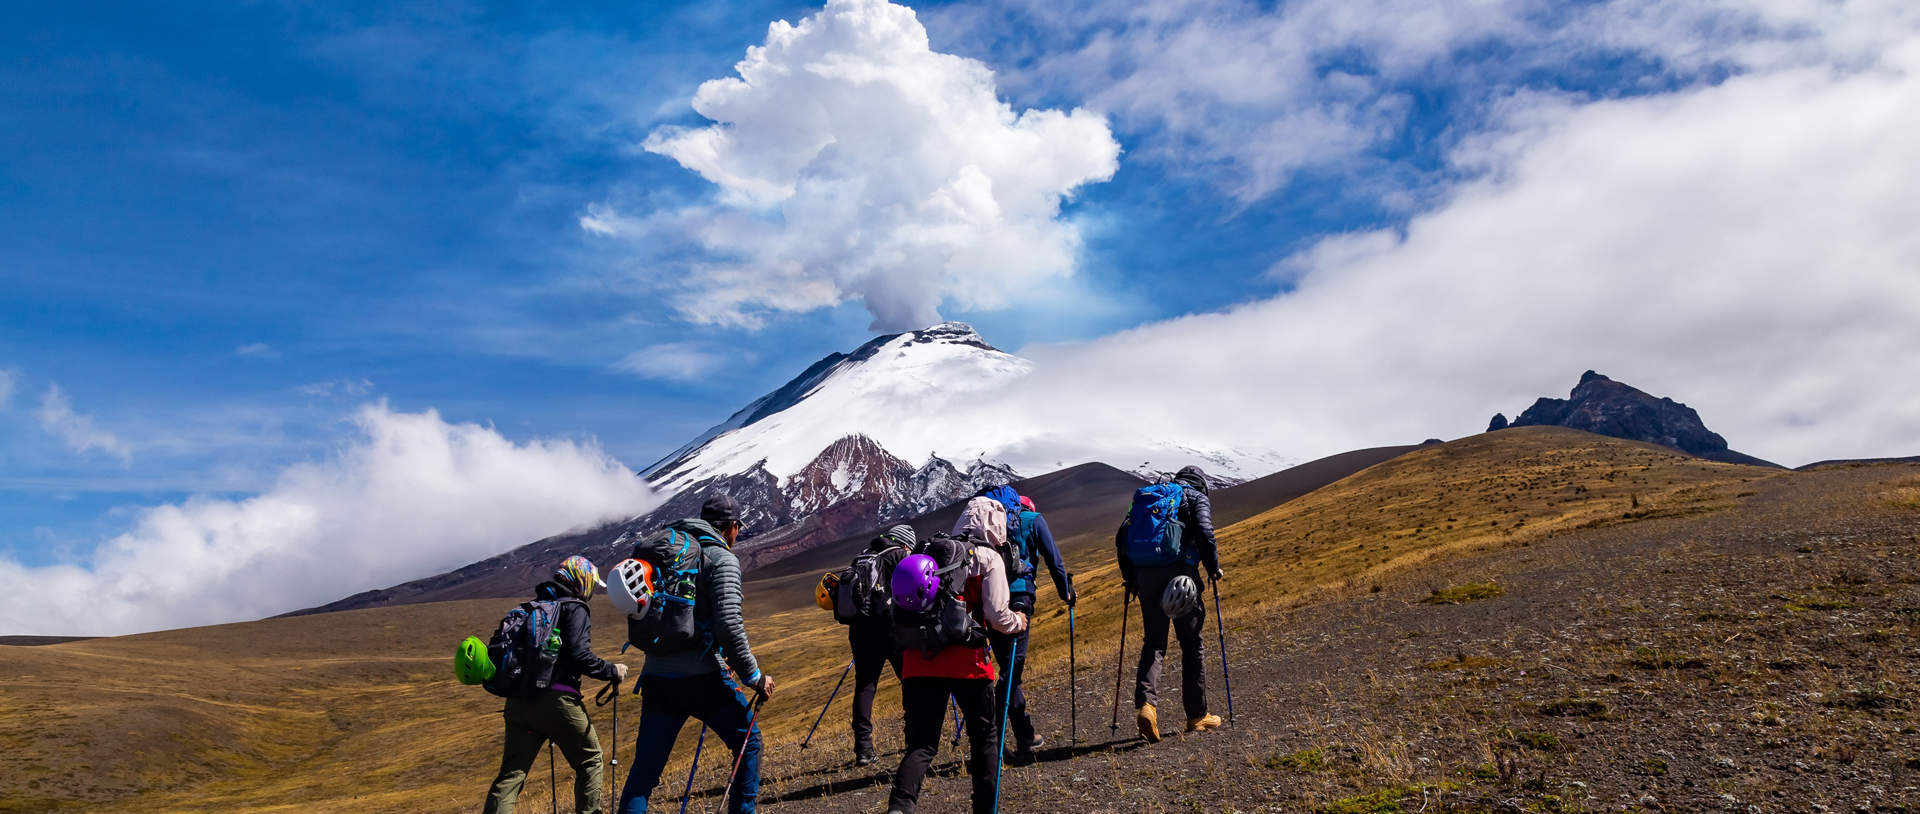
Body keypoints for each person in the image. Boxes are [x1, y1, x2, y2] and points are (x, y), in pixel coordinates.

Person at [618, 496, 774, 814]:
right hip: (704, 679)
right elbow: (730, 624)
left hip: (657, 677)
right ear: (731, 527)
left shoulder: (670, 553)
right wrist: (754, 676)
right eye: (738, 528)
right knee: (749, 743)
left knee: (645, 773)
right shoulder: (721, 559)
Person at [886, 535, 1029, 814]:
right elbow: (997, 615)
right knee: (984, 736)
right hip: (968, 664)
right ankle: (985, 808)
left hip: (918, 662)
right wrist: (1018, 622)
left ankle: (900, 807)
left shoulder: (922, 558)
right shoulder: (983, 559)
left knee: (921, 745)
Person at [485, 556, 628, 814]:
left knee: (511, 775)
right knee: (590, 759)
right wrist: (611, 671)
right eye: (591, 584)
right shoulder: (575, 608)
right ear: (580, 581)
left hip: (518, 702)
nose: (592, 591)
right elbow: (579, 655)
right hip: (557, 701)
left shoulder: (533, 607)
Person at [1115, 465, 1223, 743]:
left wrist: (1132, 578)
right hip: (1181, 578)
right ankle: (1197, 716)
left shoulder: (1148, 497)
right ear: (1201, 484)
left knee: (1154, 643)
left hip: (1146, 577)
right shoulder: (1195, 498)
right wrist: (1213, 568)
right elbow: (1205, 532)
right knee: (1191, 644)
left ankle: (1147, 707)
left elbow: (1121, 537)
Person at [979, 488, 1074, 762]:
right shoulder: (1033, 519)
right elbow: (1054, 559)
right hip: (1019, 598)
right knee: (1011, 672)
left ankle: (1024, 735)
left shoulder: (991, 521)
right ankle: (991, 745)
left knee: (1010, 669)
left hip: (991, 602)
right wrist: (1065, 592)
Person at [848, 524, 917, 766]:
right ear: (904, 543)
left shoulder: (862, 556)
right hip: (890, 628)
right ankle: (913, 737)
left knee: (865, 686)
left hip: (860, 630)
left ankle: (864, 747)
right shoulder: (898, 555)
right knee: (909, 679)